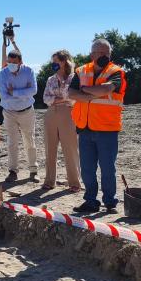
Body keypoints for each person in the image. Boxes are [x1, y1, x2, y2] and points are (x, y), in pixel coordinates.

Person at [67, 38, 127, 213]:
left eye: (106, 53)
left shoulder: (116, 72)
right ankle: (91, 201)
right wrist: (92, 93)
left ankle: (109, 202)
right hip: (85, 128)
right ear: (92, 54)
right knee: (87, 169)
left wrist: (84, 91)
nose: (103, 56)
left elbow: (107, 89)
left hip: (107, 129)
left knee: (108, 168)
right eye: (100, 53)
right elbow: (71, 93)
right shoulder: (81, 71)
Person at [0, 49, 38, 183]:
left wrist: (14, 92)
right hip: (9, 112)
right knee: (12, 142)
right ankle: (13, 171)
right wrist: (23, 93)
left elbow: (34, 90)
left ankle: (33, 170)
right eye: (9, 62)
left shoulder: (29, 71)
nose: (10, 65)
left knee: (29, 140)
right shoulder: (2, 74)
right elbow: (4, 95)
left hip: (27, 111)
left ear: (20, 62)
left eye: (13, 62)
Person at [42, 49, 80, 192]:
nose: (53, 64)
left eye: (56, 61)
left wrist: (56, 99)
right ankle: (49, 181)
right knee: (50, 148)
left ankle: (74, 182)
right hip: (51, 115)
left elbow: (71, 97)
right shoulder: (50, 79)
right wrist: (59, 100)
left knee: (70, 148)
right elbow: (46, 99)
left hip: (69, 115)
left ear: (64, 62)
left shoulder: (74, 77)